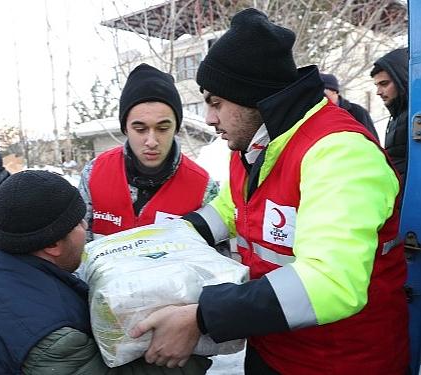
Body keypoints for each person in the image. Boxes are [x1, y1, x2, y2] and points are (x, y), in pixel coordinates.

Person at [130, 8, 407, 374]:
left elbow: (330, 282)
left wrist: (202, 317)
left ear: (252, 98)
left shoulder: (340, 152)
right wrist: (158, 241)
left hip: (341, 361)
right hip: (273, 349)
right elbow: (232, 208)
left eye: (216, 103)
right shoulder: (252, 144)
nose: (210, 119)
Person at [0, 170, 211, 374]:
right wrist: (196, 340)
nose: (86, 229)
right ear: (52, 243)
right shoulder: (51, 338)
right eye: (78, 223)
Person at [78, 63, 219, 242]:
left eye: (162, 128)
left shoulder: (203, 187)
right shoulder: (94, 174)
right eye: (140, 129)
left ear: (176, 128)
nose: (151, 141)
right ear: (125, 128)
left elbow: (217, 264)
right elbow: (77, 255)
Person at [371, 47, 409, 181]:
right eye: (377, 85)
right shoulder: (398, 116)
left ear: (402, 80)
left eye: (384, 84)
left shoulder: (412, 116)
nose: (378, 92)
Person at [319, 72, 379, 140]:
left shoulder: (357, 112)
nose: (320, 97)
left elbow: (373, 140)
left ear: (334, 91)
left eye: (322, 93)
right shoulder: (314, 114)